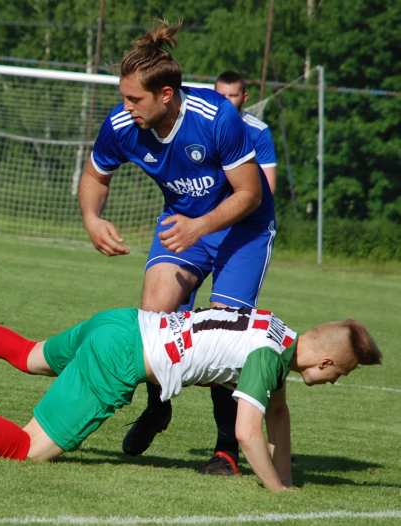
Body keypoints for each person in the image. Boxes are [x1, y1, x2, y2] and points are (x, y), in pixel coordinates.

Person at [0, 301, 381, 492]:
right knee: (28, 448)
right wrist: (276, 490)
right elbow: (249, 431)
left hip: (123, 321)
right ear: (328, 362)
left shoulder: (276, 331)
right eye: (342, 375)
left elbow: (278, 414)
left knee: (29, 354)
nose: (336, 382)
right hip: (122, 358)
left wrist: (287, 476)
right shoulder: (269, 358)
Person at [77, 21, 277, 475]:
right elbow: (95, 176)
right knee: (155, 308)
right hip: (184, 221)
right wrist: (92, 218)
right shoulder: (122, 125)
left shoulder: (216, 119)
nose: (125, 108)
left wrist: (199, 226)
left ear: (166, 94)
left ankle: (226, 447)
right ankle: (158, 407)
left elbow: (249, 195)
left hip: (243, 228)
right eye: (123, 97)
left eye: (135, 99)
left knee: (226, 333)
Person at [215, 71, 278, 194]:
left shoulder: (259, 132)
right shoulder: (200, 124)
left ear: (244, 97)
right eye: (221, 95)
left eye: (232, 95)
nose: (226, 101)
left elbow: (269, 185)